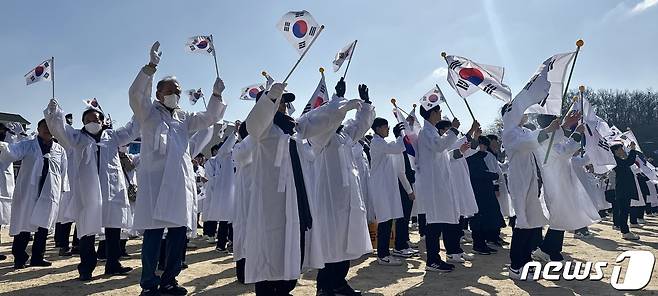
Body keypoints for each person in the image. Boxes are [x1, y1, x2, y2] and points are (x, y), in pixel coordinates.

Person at [129, 41, 227, 296]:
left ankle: (170, 280)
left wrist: (216, 97)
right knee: (153, 235)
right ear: (159, 93)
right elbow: (136, 95)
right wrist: (150, 67)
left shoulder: (184, 117)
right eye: (171, 90)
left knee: (177, 235)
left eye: (179, 91)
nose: (176, 94)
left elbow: (209, 118)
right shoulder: (148, 113)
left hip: (179, 183)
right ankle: (149, 284)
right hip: (155, 183)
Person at [241, 80, 334, 295]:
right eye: (280, 102)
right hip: (272, 200)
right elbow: (253, 124)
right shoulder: (263, 129)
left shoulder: (294, 129)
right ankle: (268, 290)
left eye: (284, 102)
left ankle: (285, 288)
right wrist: (269, 98)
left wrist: (338, 106)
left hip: (297, 198)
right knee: (271, 247)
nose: (283, 105)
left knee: (295, 245)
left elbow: (319, 123)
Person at [45, 98, 139, 280]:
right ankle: (86, 268)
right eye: (88, 120)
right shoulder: (76, 138)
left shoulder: (113, 136)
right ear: (83, 123)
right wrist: (55, 113)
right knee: (87, 231)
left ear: (102, 121)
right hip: (87, 192)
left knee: (113, 229)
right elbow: (59, 128)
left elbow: (132, 129)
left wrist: (139, 109)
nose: (92, 122)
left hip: (112, 191)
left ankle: (113, 264)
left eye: (95, 119)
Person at [309, 79, 375, 295]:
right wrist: (337, 100)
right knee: (330, 245)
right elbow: (322, 119)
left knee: (347, 243)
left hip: (348, 199)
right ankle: (324, 286)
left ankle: (339, 282)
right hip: (329, 200)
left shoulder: (344, 134)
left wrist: (365, 104)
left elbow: (361, 124)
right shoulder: (320, 137)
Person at [0, 119, 68, 269]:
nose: (47, 129)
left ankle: (38, 257)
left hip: (49, 192)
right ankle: (20, 257)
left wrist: (62, 190)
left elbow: (63, 171)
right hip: (28, 192)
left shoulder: (59, 149)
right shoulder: (27, 145)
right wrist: (4, 146)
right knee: (24, 226)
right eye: (44, 126)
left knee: (43, 227)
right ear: (38, 128)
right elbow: (12, 153)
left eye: (50, 127)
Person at [531, 115, 599, 262]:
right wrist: (576, 134)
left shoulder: (551, 138)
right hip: (555, 184)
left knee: (562, 217)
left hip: (561, 182)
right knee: (559, 218)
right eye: (556, 121)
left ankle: (551, 250)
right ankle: (546, 250)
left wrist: (567, 126)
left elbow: (563, 146)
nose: (559, 123)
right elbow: (562, 152)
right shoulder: (543, 140)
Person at [501, 106, 559, 280]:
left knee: (532, 222)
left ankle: (526, 262)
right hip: (519, 181)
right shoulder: (509, 132)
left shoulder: (525, 130)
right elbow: (526, 144)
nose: (525, 114)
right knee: (522, 223)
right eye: (521, 111)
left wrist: (552, 131)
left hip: (531, 180)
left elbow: (536, 145)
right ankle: (515, 265)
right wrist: (547, 130)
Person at [415, 98, 470, 273]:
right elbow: (439, 147)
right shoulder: (426, 133)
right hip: (434, 186)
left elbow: (442, 154)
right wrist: (453, 129)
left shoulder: (432, 133)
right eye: (438, 112)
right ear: (432, 113)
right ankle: (432, 260)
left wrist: (458, 152)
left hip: (440, 184)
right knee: (434, 224)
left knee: (439, 221)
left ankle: (437, 258)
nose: (440, 114)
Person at [368, 118, 415, 265]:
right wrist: (403, 132)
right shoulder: (377, 142)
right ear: (378, 128)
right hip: (381, 188)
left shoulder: (382, 143)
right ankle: (383, 255)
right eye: (385, 127)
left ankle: (385, 253)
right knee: (384, 221)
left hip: (386, 188)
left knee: (388, 220)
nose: (387, 129)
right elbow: (397, 147)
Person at [466, 136, 505, 255]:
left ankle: (483, 243)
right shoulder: (472, 158)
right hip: (477, 193)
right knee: (478, 220)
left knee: (485, 219)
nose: (484, 148)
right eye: (483, 145)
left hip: (484, 192)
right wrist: (493, 176)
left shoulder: (480, 157)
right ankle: (478, 245)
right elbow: (476, 174)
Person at [204, 131, 237, 253]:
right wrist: (234, 134)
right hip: (225, 192)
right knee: (225, 220)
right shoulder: (222, 156)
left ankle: (228, 243)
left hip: (233, 192)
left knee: (231, 220)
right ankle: (222, 244)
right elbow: (212, 177)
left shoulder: (235, 155)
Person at [53, 114, 77, 257]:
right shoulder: (61, 146)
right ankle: (63, 245)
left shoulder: (80, 142)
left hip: (79, 183)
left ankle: (77, 244)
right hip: (65, 184)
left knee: (80, 217)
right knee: (65, 217)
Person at [610, 142, 641, 240]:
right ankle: (625, 231)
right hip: (623, 189)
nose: (623, 151)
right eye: (621, 149)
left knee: (624, 210)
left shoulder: (618, 159)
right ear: (616, 150)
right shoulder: (615, 160)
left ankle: (625, 230)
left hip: (624, 188)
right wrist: (632, 149)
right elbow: (629, 162)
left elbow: (628, 161)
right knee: (624, 210)